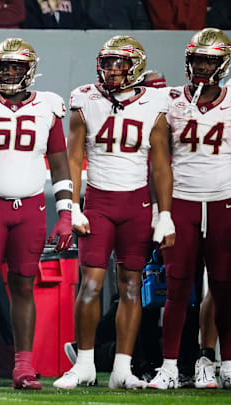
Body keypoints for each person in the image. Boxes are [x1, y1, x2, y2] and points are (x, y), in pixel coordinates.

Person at [53, 35, 175, 390]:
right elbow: (74, 157)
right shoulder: (84, 98)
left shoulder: (154, 100)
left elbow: (161, 163)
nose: (111, 70)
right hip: (100, 202)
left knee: (132, 287)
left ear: (134, 65)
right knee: (90, 285)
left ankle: (122, 368)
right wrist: (72, 205)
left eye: (118, 63)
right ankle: (85, 363)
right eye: (106, 63)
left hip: (135, 204)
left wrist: (162, 212)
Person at [0, 38, 73, 391]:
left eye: (16, 66)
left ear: (29, 70)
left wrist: (65, 213)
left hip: (31, 206)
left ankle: (24, 367)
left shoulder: (48, 107)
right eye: (3, 65)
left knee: (23, 285)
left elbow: (61, 165)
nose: (8, 72)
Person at [148, 28, 231, 390]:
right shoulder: (168, 101)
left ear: (223, 64)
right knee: (178, 287)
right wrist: (161, 212)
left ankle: (225, 362)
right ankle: (168, 366)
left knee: (225, 286)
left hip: (224, 199)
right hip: (182, 200)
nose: (201, 66)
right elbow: (160, 162)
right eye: (197, 58)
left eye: (209, 60)